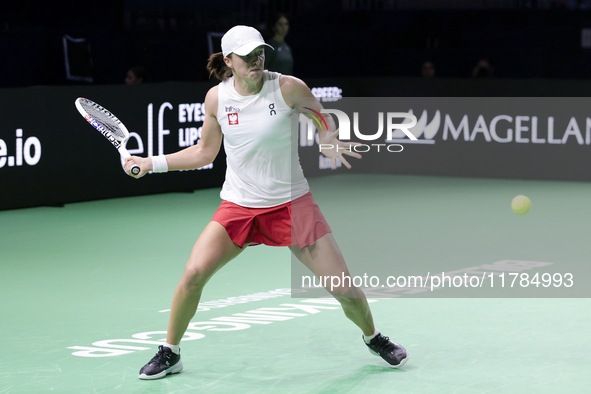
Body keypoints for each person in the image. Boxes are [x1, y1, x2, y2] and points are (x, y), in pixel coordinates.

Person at [125, 25, 408, 380]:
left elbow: (320, 117)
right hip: (238, 206)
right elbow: (204, 153)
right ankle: (171, 352)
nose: (255, 60)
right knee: (193, 274)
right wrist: (151, 164)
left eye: (259, 52)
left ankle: (374, 338)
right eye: (245, 56)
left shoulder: (288, 87)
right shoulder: (217, 99)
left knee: (343, 287)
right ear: (229, 61)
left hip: (291, 203)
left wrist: (326, 138)